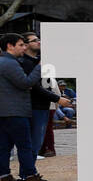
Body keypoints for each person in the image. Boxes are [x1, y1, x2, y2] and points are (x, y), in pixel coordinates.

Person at [0, 32, 56, 181]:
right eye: (21, 45)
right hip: (16, 112)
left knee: (4, 147)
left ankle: (5, 178)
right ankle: (32, 177)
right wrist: (39, 68)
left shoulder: (4, 62)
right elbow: (25, 83)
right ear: (9, 46)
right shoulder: (10, 63)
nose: (24, 48)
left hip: (4, 112)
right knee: (25, 146)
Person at [18, 32, 69, 161]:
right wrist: (58, 99)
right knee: (32, 142)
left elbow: (48, 83)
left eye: (38, 39)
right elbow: (34, 87)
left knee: (37, 141)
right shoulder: (24, 63)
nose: (38, 42)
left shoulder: (41, 61)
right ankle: (28, 174)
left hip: (44, 105)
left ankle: (30, 172)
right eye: (34, 40)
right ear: (25, 45)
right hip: (32, 106)